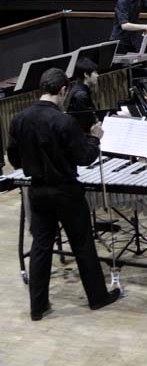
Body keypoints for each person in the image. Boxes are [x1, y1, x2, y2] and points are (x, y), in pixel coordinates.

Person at [7, 68, 120, 321]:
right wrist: (95, 138)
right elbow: (85, 157)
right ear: (62, 90)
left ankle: (37, 307)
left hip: (37, 191)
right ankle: (98, 298)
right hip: (66, 191)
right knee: (82, 244)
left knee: (41, 246)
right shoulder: (64, 121)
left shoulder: (19, 119)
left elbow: (14, 158)